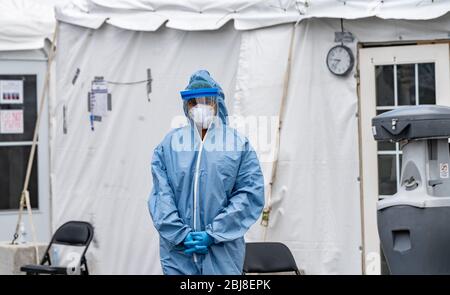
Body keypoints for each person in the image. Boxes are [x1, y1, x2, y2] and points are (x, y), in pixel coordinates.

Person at [148, 70, 264, 275]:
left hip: (222, 252)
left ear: (217, 103)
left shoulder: (237, 145)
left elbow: (249, 195)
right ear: (186, 106)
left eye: (206, 100)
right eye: (194, 102)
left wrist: (214, 233)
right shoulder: (169, 145)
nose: (200, 106)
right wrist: (180, 234)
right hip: (178, 253)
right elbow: (161, 196)